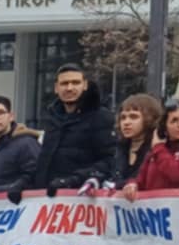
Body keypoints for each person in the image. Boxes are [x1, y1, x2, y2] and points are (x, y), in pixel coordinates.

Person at [33, 65, 117, 194]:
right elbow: (44, 160)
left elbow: (110, 160)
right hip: (49, 199)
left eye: (75, 83)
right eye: (64, 83)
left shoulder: (101, 117)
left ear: (85, 85)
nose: (69, 88)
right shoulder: (52, 118)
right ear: (56, 88)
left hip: (82, 199)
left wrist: (73, 180)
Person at [114, 94, 163, 189]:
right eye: (123, 117)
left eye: (133, 117)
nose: (126, 122)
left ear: (149, 119)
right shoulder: (118, 147)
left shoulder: (157, 148)